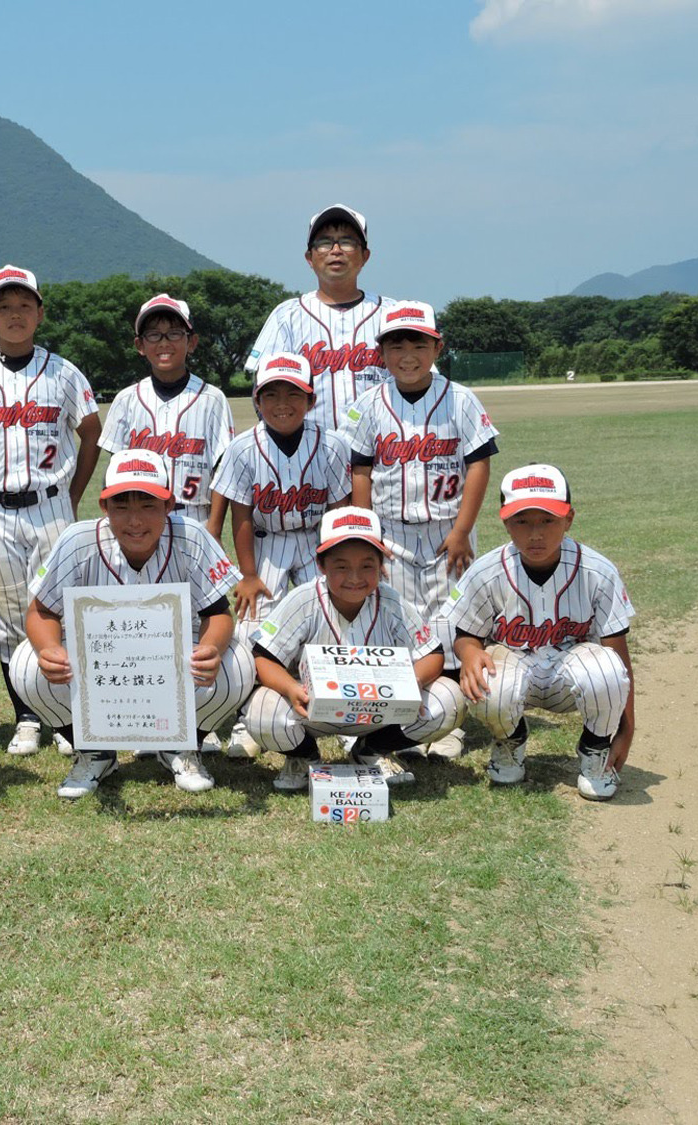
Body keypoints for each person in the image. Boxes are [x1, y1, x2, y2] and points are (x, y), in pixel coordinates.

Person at [9, 450, 255, 798]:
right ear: (104, 507)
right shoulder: (78, 539)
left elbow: (218, 613)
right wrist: (50, 648)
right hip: (100, 665)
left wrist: (211, 648)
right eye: (121, 505)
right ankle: (93, 751)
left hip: (173, 664)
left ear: (169, 506)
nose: (135, 520)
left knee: (238, 665)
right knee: (26, 664)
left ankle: (183, 746)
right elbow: (40, 612)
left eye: (148, 505)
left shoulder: (192, 536)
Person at [0, 264, 101, 757]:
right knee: (10, 619)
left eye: (24, 305)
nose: (15, 315)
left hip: (51, 506)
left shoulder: (65, 371)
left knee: (66, 614)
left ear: (40, 313)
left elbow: (91, 432)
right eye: (5, 307)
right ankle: (27, 716)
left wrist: (72, 495)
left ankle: (71, 717)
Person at [345, 300, 498, 759]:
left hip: (447, 530)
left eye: (418, 343)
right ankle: (396, 717)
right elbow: (361, 474)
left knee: (450, 623)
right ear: (381, 353)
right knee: (398, 624)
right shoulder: (368, 405)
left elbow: (478, 465)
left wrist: (463, 528)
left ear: (437, 347)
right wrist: (367, 536)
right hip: (389, 531)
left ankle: (448, 723)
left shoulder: (461, 398)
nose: (407, 354)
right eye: (396, 345)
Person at [444, 464, 635, 800]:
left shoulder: (598, 571)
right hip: (515, 668)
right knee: (488, 685)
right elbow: (465, 634)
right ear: (505, 522)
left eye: (548, 520)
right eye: (522, 521)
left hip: (573, 672)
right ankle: (510, 741)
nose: (535, 534)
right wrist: (470, 652)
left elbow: (618, 653)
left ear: (569, 519)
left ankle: (595, 747)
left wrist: (626, 727)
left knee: (607, 671)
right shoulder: (487, 571)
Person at [244, 506, 464, 790]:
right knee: (260, 711)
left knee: (448, 699)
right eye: (341, 566)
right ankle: (303, 756)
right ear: (321, 565)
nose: (355, 577)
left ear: (381, 564)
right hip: (311, 710)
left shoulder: (391, 600)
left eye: (367, 565)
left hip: (378, 712)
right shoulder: (303, 600)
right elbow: (263, 657)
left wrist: (412, 683)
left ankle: (372, 750)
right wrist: (289, 688)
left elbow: (432, 654)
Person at [210, 351, 351, 755]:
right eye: (271, 394)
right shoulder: (242, 447)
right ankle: (247, 716)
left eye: (294, 393)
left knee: (330, 622)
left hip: (318, 542)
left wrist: (338, 563)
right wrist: (249, 574)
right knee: (252, 628)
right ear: (257, 400)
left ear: (311, 400)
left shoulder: (332, 444)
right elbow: (241, 514)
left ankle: (340, 713)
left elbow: (340, 511)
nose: (282, 403)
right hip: (266, 542)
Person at [243, 204, 394, 434]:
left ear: (365, 256)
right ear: (310, 258)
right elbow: (262, 390)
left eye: (347, 241)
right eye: (324, 242)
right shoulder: (287, 316)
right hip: (310, 458)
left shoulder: (391, 314)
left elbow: (421, 380)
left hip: (382, 456)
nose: (336, 250)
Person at [98, 293, 233, 536]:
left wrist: (214, 528)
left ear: (191, 342)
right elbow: (113, 471)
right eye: (153, 334)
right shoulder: (126, 400)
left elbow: (222, 473)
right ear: (140, 345)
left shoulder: (213, 399)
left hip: (195, 517)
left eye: (174, 333)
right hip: (141, 518)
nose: (163, 342)